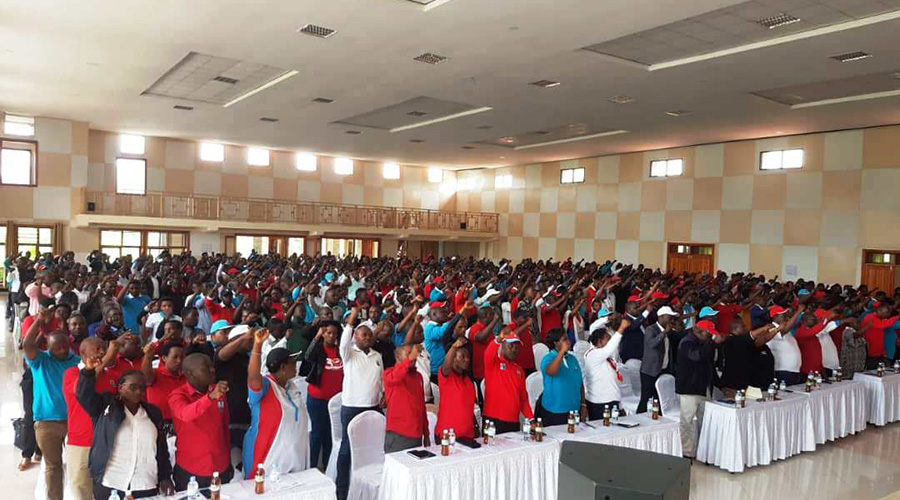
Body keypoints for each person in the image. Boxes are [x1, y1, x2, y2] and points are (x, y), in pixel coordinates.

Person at [76, 364, 174, 499]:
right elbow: (84, 396)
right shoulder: (106, 406)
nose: (138, 392)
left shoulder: (153, 413)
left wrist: (165, 476)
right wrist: (87, 372)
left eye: (142, 388)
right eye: (133, 387)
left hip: (145, 483)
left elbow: (161, 448)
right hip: (112, 482)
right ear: (120, 388)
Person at [22, 307, 81, 500]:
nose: (62, 350)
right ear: (48, 347)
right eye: (57, 347)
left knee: (78, 467)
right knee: (53, 467)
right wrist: (39, 321)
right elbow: (28, 344)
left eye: (65, 346)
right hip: (46, 423)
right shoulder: (40, 361)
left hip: (75, 423)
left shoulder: (77, 361)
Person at [243, 329, 308, 478]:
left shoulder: (291, 386)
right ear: (283, 368)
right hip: (266, 458)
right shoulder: (265, 386)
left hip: (293, 461)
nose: (295, 366)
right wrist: (257, 346)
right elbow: (253, 377)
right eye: (292, 363)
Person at [336, 307, 383, 500]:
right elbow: (344, 341)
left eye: (369, 336)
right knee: (347, 449)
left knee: (373, 447)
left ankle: (369, 488)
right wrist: (352, 318)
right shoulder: (348, 354)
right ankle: (342, 491)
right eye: (363, 335)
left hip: (373, 407)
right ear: (355, 336)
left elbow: (380, 379)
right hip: (352, 408)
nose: (367, 338)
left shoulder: (377, 356)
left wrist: (384, 393)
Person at [168, 353, 233, 492]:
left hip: (220, 465)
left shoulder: (217, 391)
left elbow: (224, 426)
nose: (212, 370)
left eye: (212, 366)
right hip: (191, 468)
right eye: (206, 368)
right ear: (190, 374)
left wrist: (228, 459)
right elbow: (185, 414)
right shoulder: (177, 395)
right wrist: (210, 398)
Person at [63, 337, 112, 500]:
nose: (102, 352)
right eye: (97, 349)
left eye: (104, 348)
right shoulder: (72, 374)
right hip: (80, 441)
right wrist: (90, 370)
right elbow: (81, 390)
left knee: (105, 488)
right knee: (80, 488)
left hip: (106, 441)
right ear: (82, 353)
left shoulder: (112, 376)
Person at [675, 319, 723, 459]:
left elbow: (710, 365)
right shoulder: (686, 342)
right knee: (687, 421)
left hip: (704, 387)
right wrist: (712, 343)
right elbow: (697, 356)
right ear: (697, 330)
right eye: (708, 334)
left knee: (706, 420)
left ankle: (704, 450)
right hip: (689, 388)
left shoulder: (704, 342)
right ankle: (687, 453)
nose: (710, 337)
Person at [299, 320, 343, 470]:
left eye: (334, 333)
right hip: (317, 399)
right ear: (323, 333)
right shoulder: (318, 349)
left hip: (335, 401)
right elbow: (308, 357)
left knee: (330, 435)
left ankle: (327, 466)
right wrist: (317, 336)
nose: (331, 336)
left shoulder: (340, 351)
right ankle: (311, 467)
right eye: (328, 333)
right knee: (317, 433)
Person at [483, 325, 533, 434]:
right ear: (503, 346)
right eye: (511, 346)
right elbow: (488, 353)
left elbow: (523, 399)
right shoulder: (493, 363)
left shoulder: (519, 370)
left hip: (513, 421)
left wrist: (531, 418)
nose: (514, 349)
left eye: (517, 346)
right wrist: (499, 338)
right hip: (493, 420)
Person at [382, 342, 429, 452]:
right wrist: (410, 359)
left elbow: (422, 406)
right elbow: (396, 377)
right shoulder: (389, 373)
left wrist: (426, 433)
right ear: (398, 357)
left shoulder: (418, 376)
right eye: (408, 354)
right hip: (398, 434)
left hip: (417, 434)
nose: (413, 357)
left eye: (414, 354)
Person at [583, 316, 629, 420]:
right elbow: (609, 347)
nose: (611, 341)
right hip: (598, 403)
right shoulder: (592, 354)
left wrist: (620, 405)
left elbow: (612, 383)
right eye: (608, 339)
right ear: (599, 341)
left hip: (612, 401)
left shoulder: (608, 357)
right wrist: (621, 328)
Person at [539, 327, 584, 425]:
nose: (568, 342)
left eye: (567, 339)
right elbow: (552, 371)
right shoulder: (548, 358)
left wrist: (583, 405)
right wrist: (561, 352)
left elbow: (580, 383)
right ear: (555, 343)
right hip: (555, 411)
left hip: (574, 409)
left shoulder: (572, 358)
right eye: (564, 340)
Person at [637, 306, 678, 413]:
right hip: (650, 370)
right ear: (661, 317)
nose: (672, 320)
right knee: (645, 398)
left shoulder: (668, 330)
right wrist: (664, 332)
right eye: (670, 317)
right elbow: (652, 344)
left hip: (663, 369)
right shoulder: (651, 329)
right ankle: (639, 418)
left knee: (658, 399)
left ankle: (656, 421)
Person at [436, 337, 476, 441]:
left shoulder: (467, 380)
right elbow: (446, 365)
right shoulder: (446, 376)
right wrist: (454, 347)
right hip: (447, 435)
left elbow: (469, 405)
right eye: (462, 356)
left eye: (468, 356)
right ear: (453, 358)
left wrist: (474, 425)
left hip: (467, 434)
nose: (467, 359)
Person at [141, 341, 186, 425]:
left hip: (182, 423)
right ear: (164, 358)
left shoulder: (188, 377)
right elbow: (145, 377)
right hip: (158, 424)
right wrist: (148, 356)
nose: (179, 361)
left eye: (182, 357)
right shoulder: (155, 374)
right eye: (175, 357)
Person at [767, 305, 804, 386]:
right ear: (775, 317)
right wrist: (798, 312)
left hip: (792, 370)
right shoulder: (771, 329)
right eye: (782, 314)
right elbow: (784, 330)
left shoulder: (785, 329)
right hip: (782, 370)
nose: (785, 316)